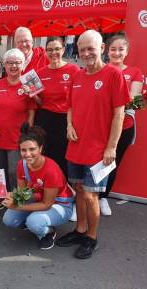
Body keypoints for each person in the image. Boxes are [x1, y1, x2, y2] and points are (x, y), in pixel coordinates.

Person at [56, 30, 130, 259]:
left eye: (91, 48)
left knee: (91, 196)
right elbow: (70, 107)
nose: (86, 53)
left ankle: (91, 237)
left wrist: (111, 147)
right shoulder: (77, 76)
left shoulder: (113, 75)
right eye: (82, 49)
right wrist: (69, 126)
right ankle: (79, 230)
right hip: (76, 147)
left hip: (99, 150)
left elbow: (119, 114)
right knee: (78, 190)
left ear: (102, 49)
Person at [0, 124, 73, 250]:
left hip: (60, 204)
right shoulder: (21, 165)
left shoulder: (51, 170)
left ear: (40, 148)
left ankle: (48, 232)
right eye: (23, 150)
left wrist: (17, 206)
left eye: (32, 149)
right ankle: (33, 218)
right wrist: (6, 194)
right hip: (38, 198)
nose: (27, 154)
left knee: (34, 222)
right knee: (9, 220)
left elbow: (47, 204)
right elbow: (23, 193)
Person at [98, 33, 143, 216]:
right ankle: (89, 197)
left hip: (123, 127)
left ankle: (102, 198)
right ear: (107, 51)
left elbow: (136, 101)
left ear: (127, 52)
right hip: (99, 125)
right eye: (113, 49)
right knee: (93, 162)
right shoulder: (99, 70)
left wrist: (112, 103)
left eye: (120, 49)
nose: (116, 53)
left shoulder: (135, 72)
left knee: (111, 163)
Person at [0, 48, 36, 190]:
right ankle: (5, 197)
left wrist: (28, 133)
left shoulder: (29, 82)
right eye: (9, 63)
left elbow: (33, 109)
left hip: (18, 137)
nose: (13, 66)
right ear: (5, 65)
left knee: (14, 171)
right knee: (1, 170)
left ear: (23, 64)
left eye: (17, 63)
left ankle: (18, 198)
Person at [34, 37, 80, 177]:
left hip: (65, 119)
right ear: (46, 52)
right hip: (45, 118)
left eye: (57, 49)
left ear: (64, 50)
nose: (53, 52)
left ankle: (62, 189)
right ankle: (45, 184)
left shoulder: (74, 70)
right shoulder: (40, 73)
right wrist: (32, 94)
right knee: (44, 153)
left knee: (62, 154)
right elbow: (40, 102)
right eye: (50, 50)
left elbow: (77, 98)